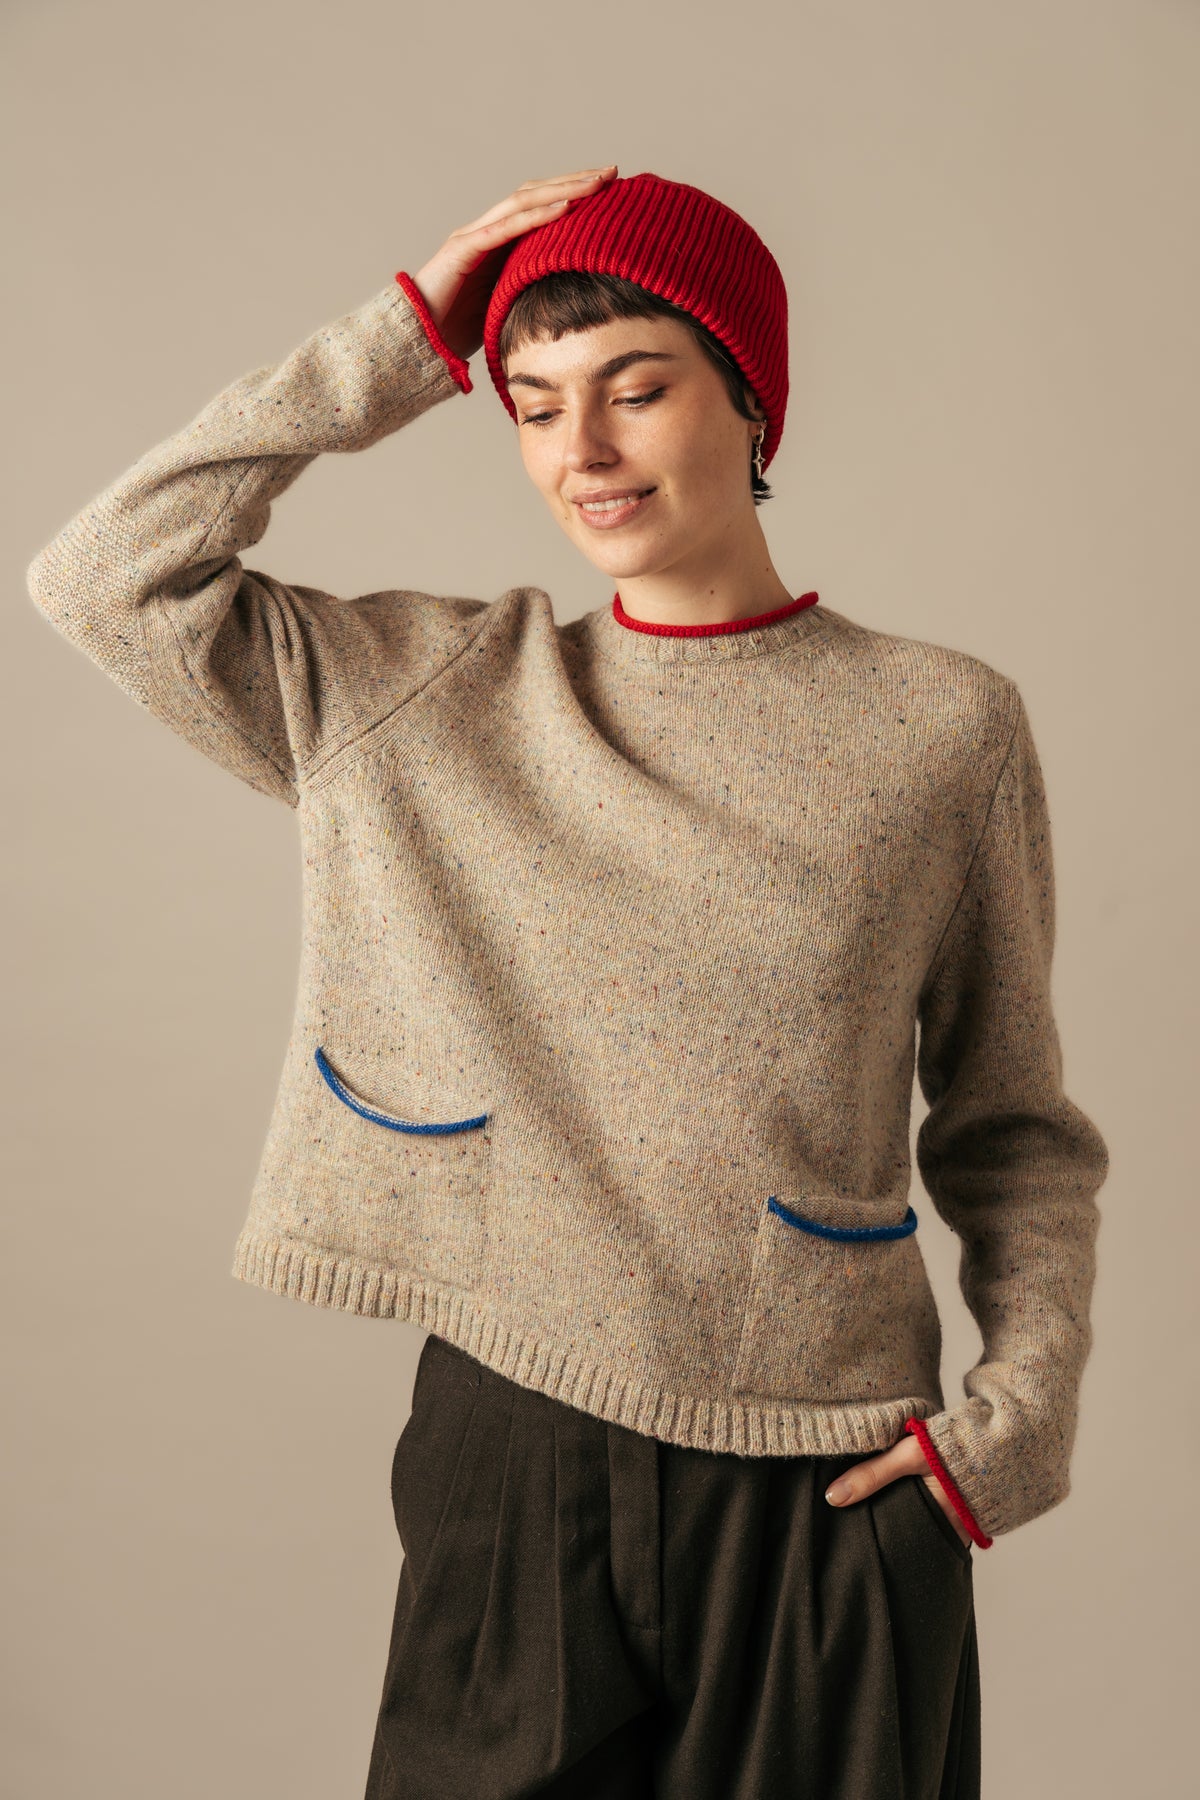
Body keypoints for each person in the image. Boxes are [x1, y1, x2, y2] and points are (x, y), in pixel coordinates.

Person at [26, 166, 1110, 1799]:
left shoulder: (942, 728)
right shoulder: (424, 693)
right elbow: (103, 575)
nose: (582, 450)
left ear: (752, 401)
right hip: (513, 1454)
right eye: (534, 407)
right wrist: (402, 339)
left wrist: (1022, 1414)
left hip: (828, 1484)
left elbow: (1012, 1124)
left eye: (637, 388)